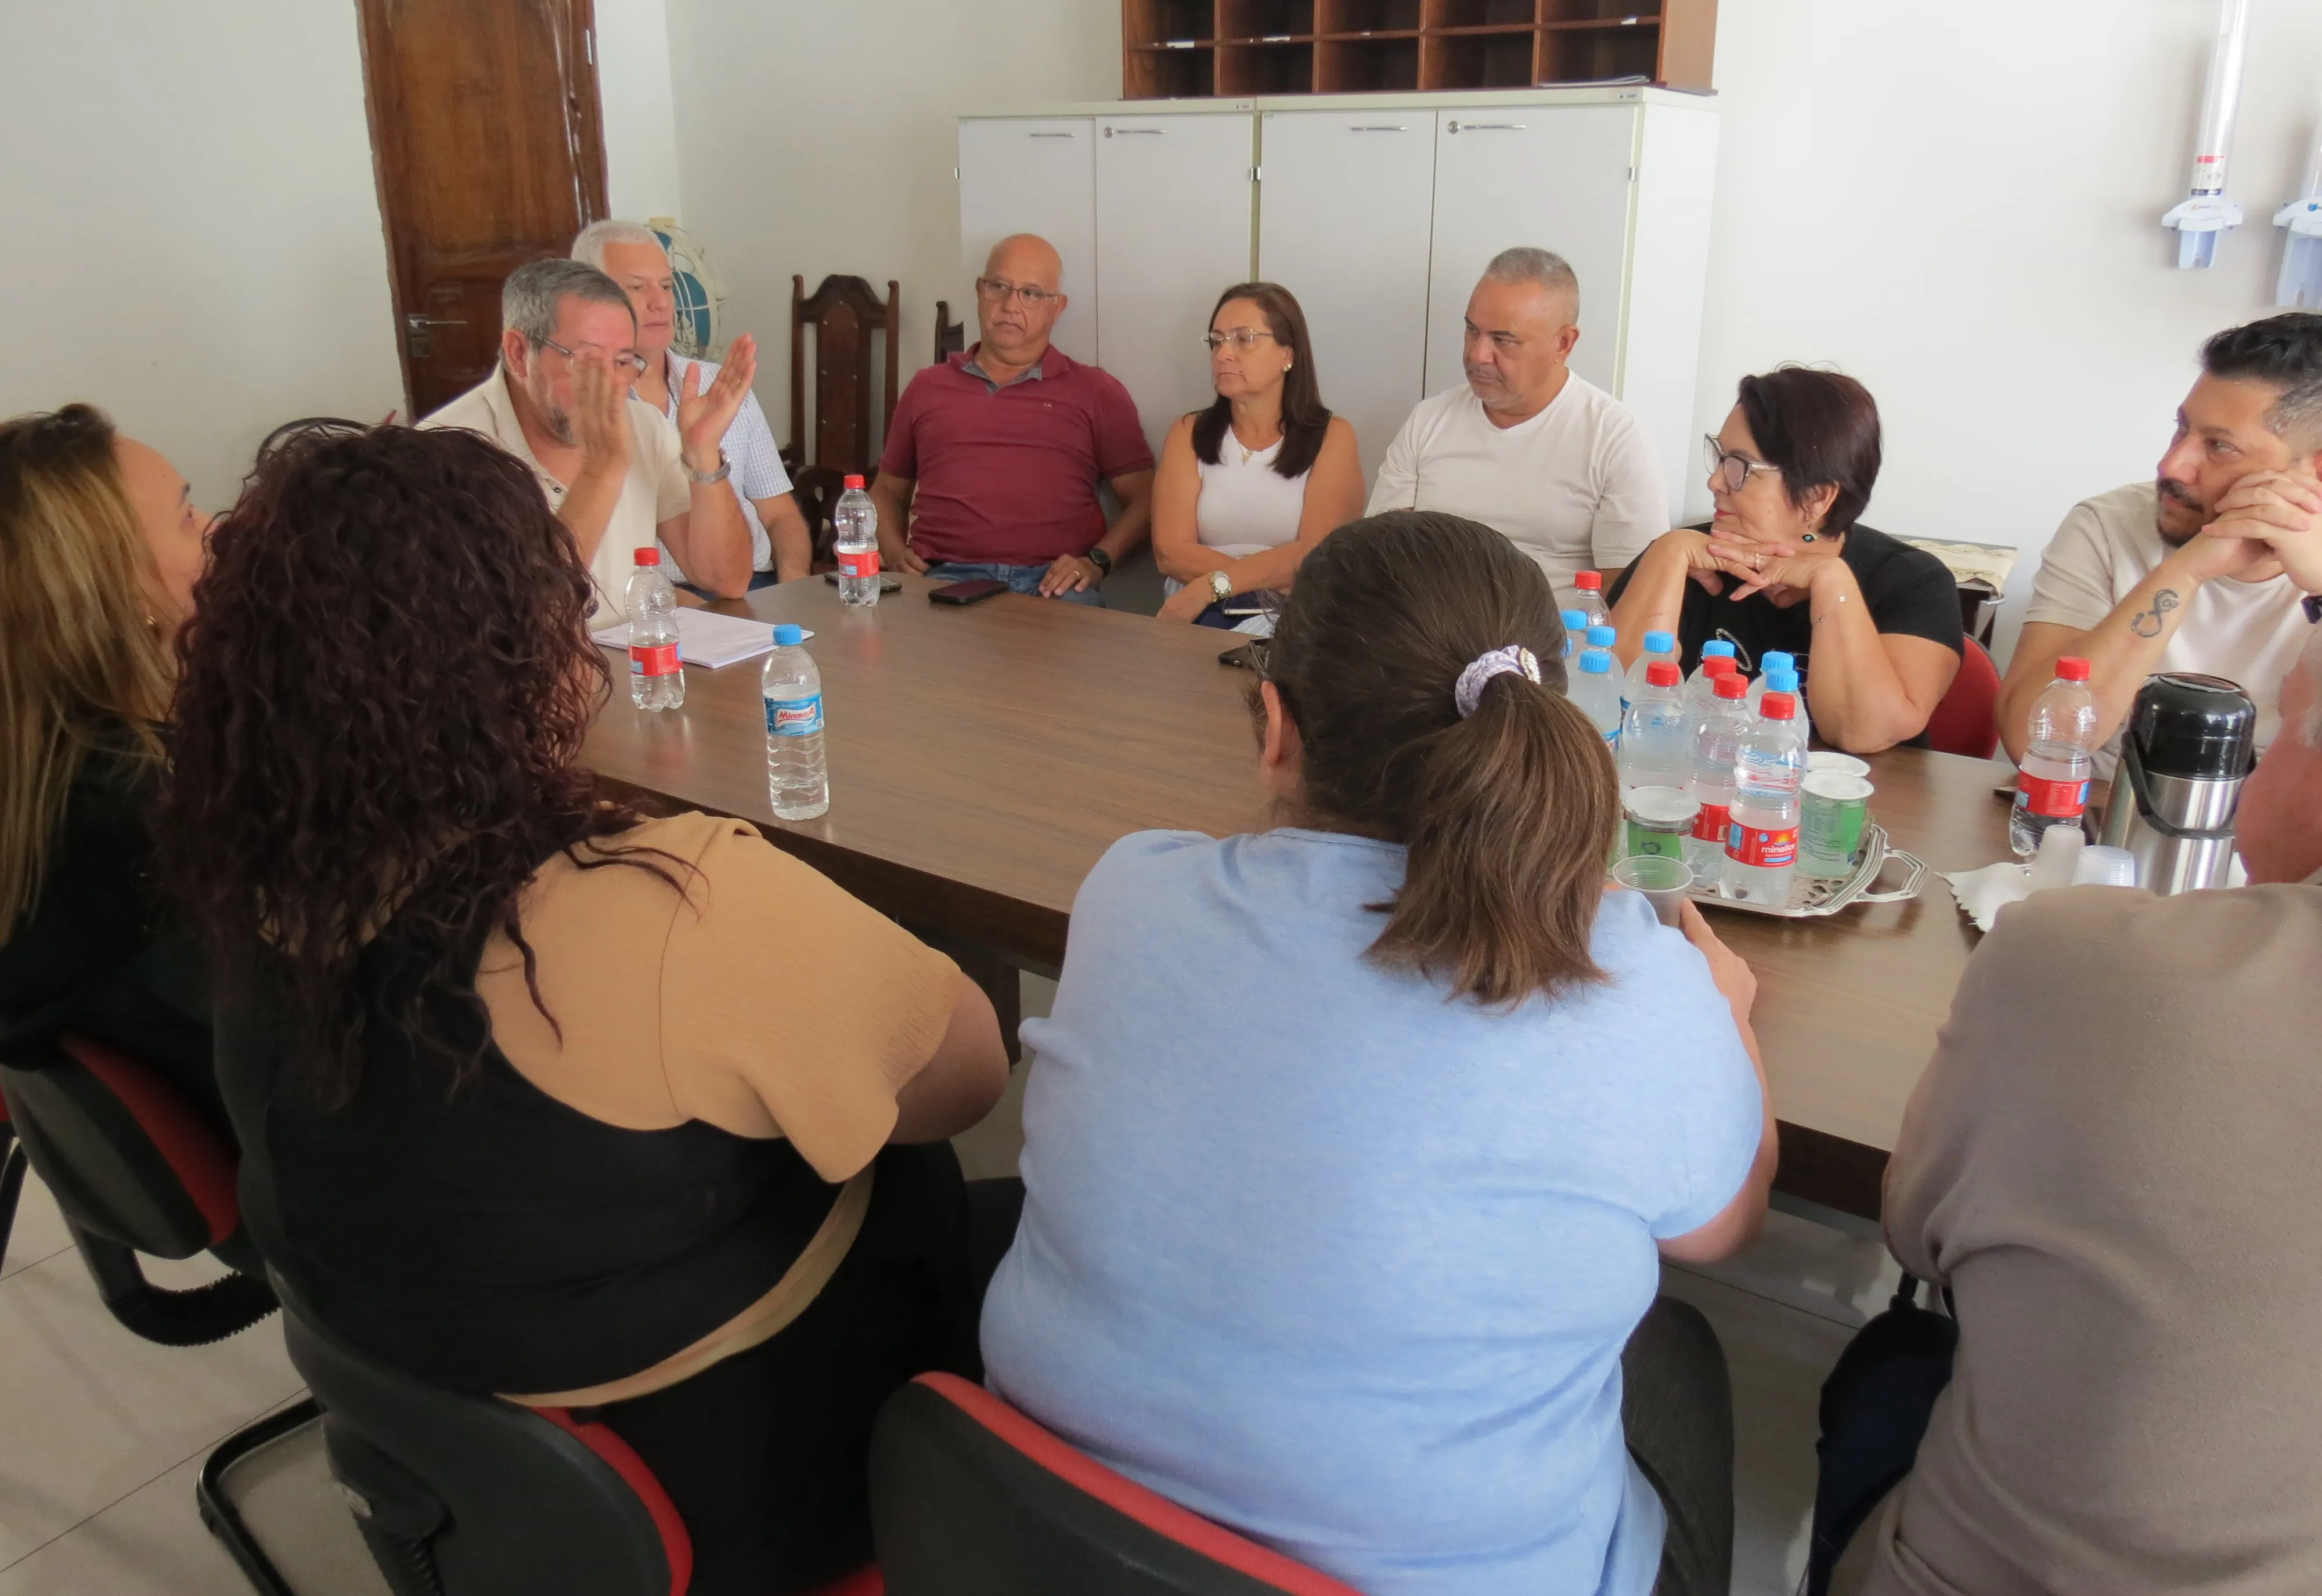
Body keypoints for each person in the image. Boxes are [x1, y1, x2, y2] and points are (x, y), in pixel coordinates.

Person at [157, 423, 1015, 1596]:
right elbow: (965, 1080)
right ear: (520, 656)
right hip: (742, 1476)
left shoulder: (251, 887)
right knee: (1025, 1230)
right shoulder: (666, 903)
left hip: (459, 1449)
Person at [980, 510, 1779, 1596]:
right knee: (1676, 1355)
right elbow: (1721, 1229)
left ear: (1276, 726)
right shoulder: (1634, 985)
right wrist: (1723, 1014)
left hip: (1046, 1541)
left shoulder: (1134, 889)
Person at [1815, 615, 2322, 1596]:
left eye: (2271, 738)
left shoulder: (2079, 955)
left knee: (1890, 1373)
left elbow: (1916, 1235)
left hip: (1981, 1571)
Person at [0, 405, 218, 1120]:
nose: (215, 526)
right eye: (187, 516)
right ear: (113, 586)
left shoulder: (48, 758)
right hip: (317, 1186)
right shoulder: (137, 809)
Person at [1997, 312, 2322, 772]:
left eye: (2219, 447)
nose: (2172, 465)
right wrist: (2187, 571)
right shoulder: (2108, 526)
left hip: (2274, 839)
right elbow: (2030, 743)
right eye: (2182, 428)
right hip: (2102, 828)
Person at [1607, 369, 1963, 753]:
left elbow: (1864, 733)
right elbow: (1607, 701)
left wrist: (1832, 582)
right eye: (1721, 457)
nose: (1715, 482)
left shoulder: (1912, 582)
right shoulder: (1685, 554)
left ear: (1817, 498)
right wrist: (1669, 553)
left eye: (1740, 467)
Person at [418, 258, 758, 619]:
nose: (612, 386)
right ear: (519, 354)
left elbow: (727, 581)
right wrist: (602, 471)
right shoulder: (439, 455)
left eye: (625, 361)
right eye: (588, 364)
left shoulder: (644, 426)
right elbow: (521, 622)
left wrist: (703, 452)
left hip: (635, 665)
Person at [1365, 247, 1666, 613]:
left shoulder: (1616, 437)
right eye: (1472, 331)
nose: (1478, 354)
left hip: (1551, 653)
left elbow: (1631, 596)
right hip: (1428, 640)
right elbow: (1380, 552)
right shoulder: (1429, 420)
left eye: (1503, 340)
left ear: (1563, 343)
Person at [872, 234, 1153, 606]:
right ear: (979, 291)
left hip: (1055, 586)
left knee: (1073, 661)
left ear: (1057, 308)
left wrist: (1097, 562)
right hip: (943, 579)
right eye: (999, 287)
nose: (1010, 305)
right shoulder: (927, 387)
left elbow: (1147, 498)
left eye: (1032, 294)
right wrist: (893, 553)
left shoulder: (1095, 391)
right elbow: (887, 491)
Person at [574, 220, 811, 588]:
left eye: (667, 286)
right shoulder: (581, 405)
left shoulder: (721, 385)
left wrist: (795, 586)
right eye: (638, 287)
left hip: (755, 585)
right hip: (653, 602)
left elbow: (779, 513)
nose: (661, 302)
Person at [1149, 282, 1363, 626]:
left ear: (1288, 354)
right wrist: (1254, 580)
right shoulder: (1188, 431)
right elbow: (1170, 552)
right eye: (1216, 341)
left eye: (1243, 339)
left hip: (1288, 610)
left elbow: (1314, 554)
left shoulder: (1332, 436)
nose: (1223, 354)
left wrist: (1219, 584)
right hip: (1198, 601)